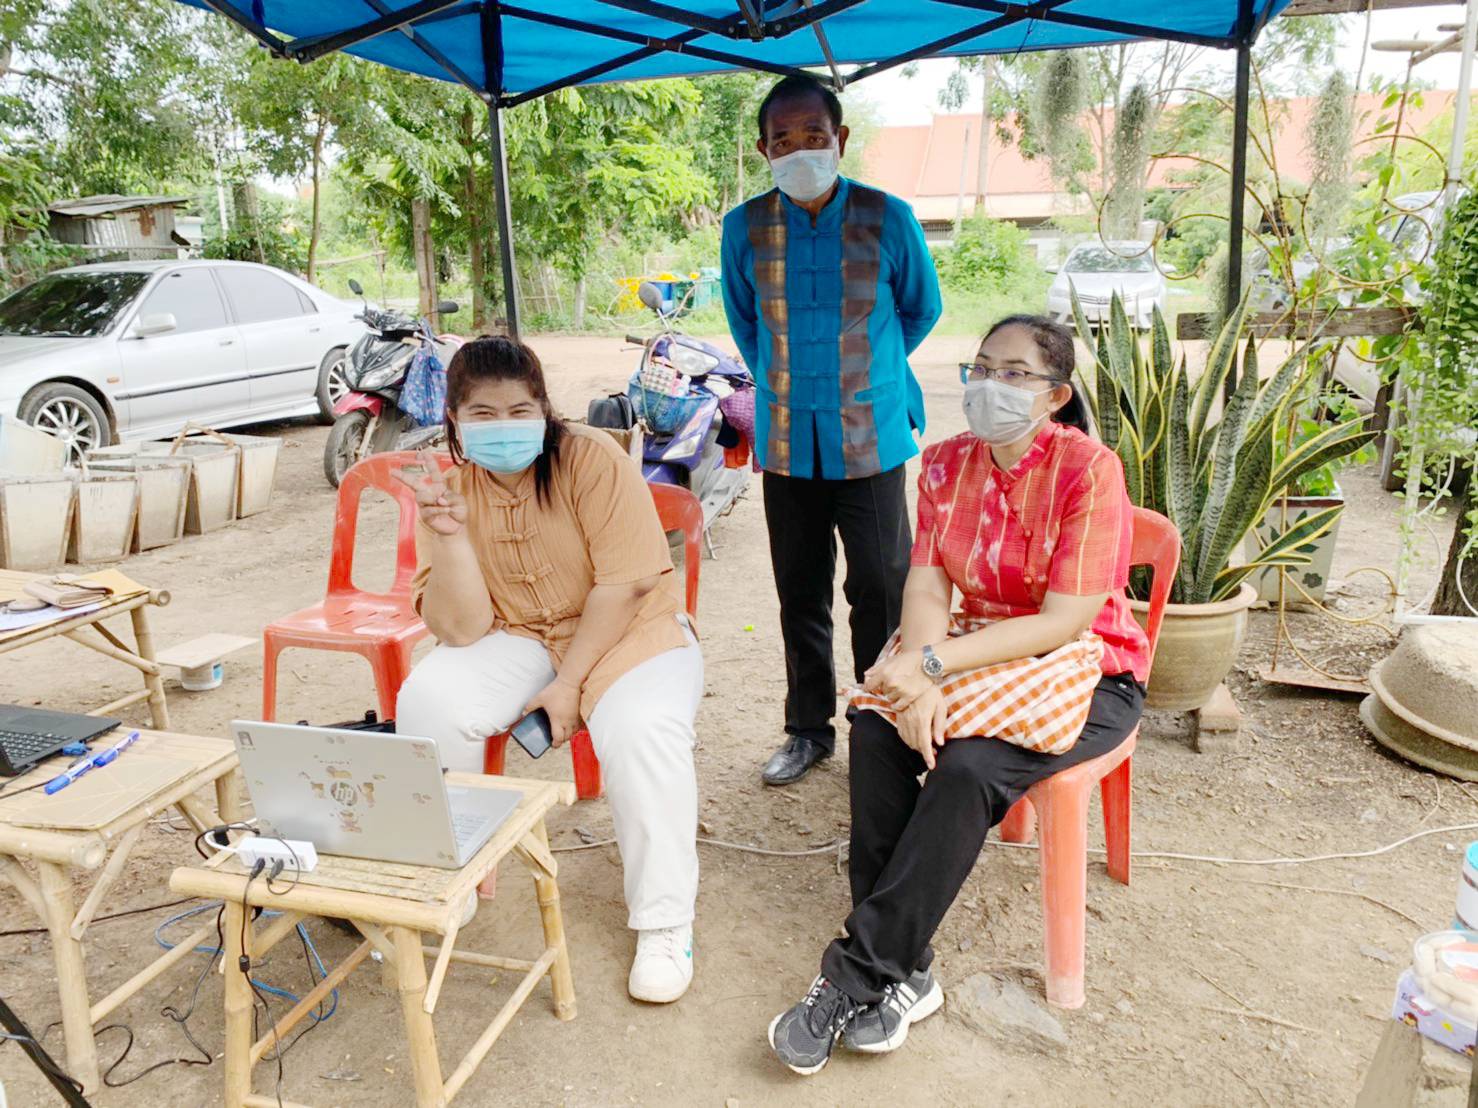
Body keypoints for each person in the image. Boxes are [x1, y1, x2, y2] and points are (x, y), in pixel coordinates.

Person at [766, 315, 1150, 1073]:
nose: (989, 386)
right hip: (970, 651)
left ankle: (856, 974)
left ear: (1055, 395)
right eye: (980, 368)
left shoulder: (1088, 470)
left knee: (969, 766)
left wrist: (937, 668)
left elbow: (1065, 620)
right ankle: (907, 970)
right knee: (877, 728)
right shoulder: (944, 464)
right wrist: (916, 674)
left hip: (1084, 670)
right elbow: (930, 580)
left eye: (1013, 374)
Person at [394, 336, 704, 1005]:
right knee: (430, 697)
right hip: (523, 635)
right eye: (482, 413)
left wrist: (568, 687)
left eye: (518, 409)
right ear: (452, 418)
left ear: (545, 409)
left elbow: (622, 586)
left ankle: (664, 921)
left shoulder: (593, 460)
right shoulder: (448, 488)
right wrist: (448, 538)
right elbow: (464, 629)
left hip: (630, 629)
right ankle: (454, 873)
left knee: (641, 729)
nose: (503, 426)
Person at [721, 74, 942, 787]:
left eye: (813, 136)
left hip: (872, 436)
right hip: (787, 441)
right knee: (801, 592)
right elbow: (747, 325)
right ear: (764, 149)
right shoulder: (744, 228)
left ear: (839, 140)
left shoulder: (888, 217)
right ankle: (807, 731)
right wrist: (789, 384)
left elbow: (920, 309)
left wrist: (866, 370)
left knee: (881, 588)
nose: (799, 150)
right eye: (782, 140)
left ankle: (881, 725)